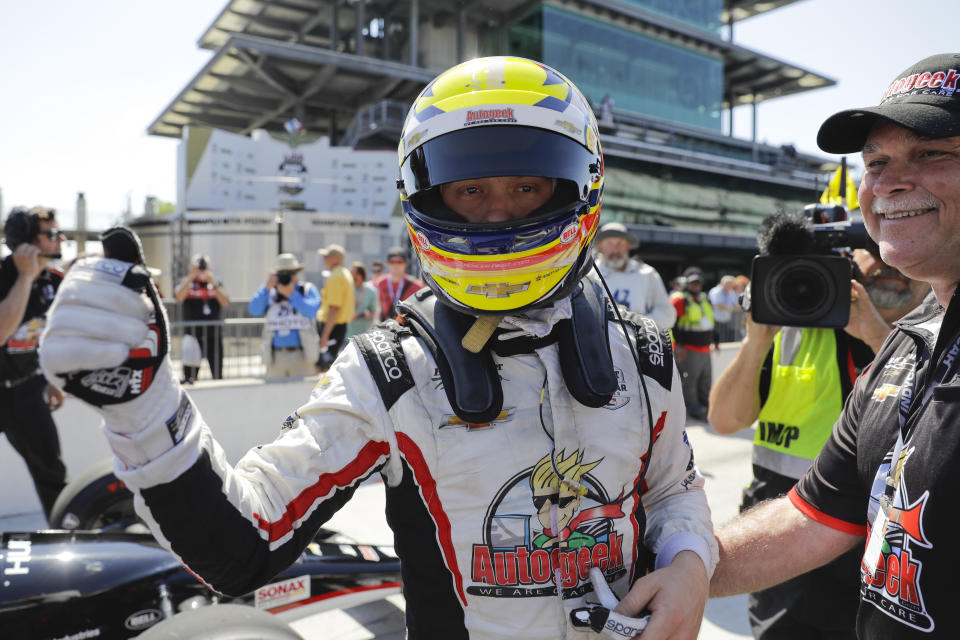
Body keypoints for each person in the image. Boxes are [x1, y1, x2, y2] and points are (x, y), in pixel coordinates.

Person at [39, 56, 717, 640]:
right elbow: (243, 548)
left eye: (526, 186)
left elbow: (673, 493)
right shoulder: (388, 374)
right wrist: (143, 406)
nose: (497, 214)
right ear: (427, 199)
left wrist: (689, 564)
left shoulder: (644, 355)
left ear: (581, 188)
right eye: (470, 189)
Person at [704, 53, 960, 638]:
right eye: (876, 162)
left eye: (931, 153)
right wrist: (684, 566)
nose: (891, 181)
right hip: (792, 521)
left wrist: (869, 323)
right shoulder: (913, 343)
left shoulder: (890, 331)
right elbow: (816, 513)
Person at [708, 212, 928, 640]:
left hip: (875, 543)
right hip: (782, 535)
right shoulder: (793, 323)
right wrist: (756, 342)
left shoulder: (930, 336)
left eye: (900, 265)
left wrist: (876, 336)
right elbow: (724, 418)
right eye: (874, 256)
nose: (885, 272)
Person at [0, 206, 67, 522]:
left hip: (27, 388)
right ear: (26, 240)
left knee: (52, 471)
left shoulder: (55, 280)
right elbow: (2, 332)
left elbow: (46, 334)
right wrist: (25, 276)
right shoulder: (4, 276)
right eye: (51, 234)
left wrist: (51, 378)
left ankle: (67, 544)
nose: (60, 238)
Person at [248, 253, 320, 377]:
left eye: (290, 273)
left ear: (297, 273)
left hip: (302, 354)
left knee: (303, 395)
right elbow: (254, 310)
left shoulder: (307, 290)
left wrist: (292, 294)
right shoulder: (269, 291)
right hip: (275, 356)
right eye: (282, 273)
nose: (286, 277)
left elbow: (311, 310)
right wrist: (266, 288)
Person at [594, 221, 676, 331]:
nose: (615, 250)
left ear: (628, 246)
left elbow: (667, 315)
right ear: (600, 246)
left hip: (638, 344)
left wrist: (639, 325)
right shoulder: (589, 274)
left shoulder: (647, 273)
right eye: (609, 244)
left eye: (620, 244)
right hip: (599, 343)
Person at [174, 254, 230, 382]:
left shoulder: (216, 282)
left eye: (204, 267)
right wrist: (191, 277)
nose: (201, 270)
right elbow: (179, 297)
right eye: (199, 267)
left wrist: (213, 283)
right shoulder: (186, 282)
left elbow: (225, 302)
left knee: (217, 375)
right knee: (190, 377)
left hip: (213, 335)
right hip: (193, 335)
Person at [670, 267, 714, 420]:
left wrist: (716, 340)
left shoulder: (703, 298)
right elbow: (671, 324)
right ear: (686, 283)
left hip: (705, 348)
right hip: (688, 349)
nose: (696, 286)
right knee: (690, 381)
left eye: (698, 283)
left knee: (706, 381)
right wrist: (678, 346)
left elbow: (709, 321)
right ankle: (694, 409)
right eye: (693, 283)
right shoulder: (679, 300)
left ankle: (706, 406)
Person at [315, 244, 354, 372]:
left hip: (331, 327)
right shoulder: (345, 273)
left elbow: (334, 308)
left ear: (335, 259)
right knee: (330, 365)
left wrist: (325, 335)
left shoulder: (335, 277)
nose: (324, 259)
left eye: (327, 256)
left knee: (324, 368)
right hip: (338, 327)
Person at [373, 247, 422, 321]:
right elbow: (381, 306)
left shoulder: (416, 285)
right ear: (388, 264)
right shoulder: (381, 283)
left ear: (405, 264)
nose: (395, 265)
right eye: (392, 262)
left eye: (399, 262)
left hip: (407, 326)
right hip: (388, 325)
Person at [346, 262, 379, 338]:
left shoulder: (371, 291)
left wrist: (360, 315)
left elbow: (373, 312)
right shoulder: (346, 289)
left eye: (353, 273)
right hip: (348, 333)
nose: (350, 276)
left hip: (364, 334)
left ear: (360, 275)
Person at [708, 275, 740, 343]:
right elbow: (717, 305)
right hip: (716, 321)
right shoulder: (715, 291)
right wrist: (732, 308)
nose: (731, 287)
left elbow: (736, 304)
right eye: (730, 285)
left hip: (727, 321)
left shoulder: (731, 292)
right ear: (724, 284)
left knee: (725, 341)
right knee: (718, 341)